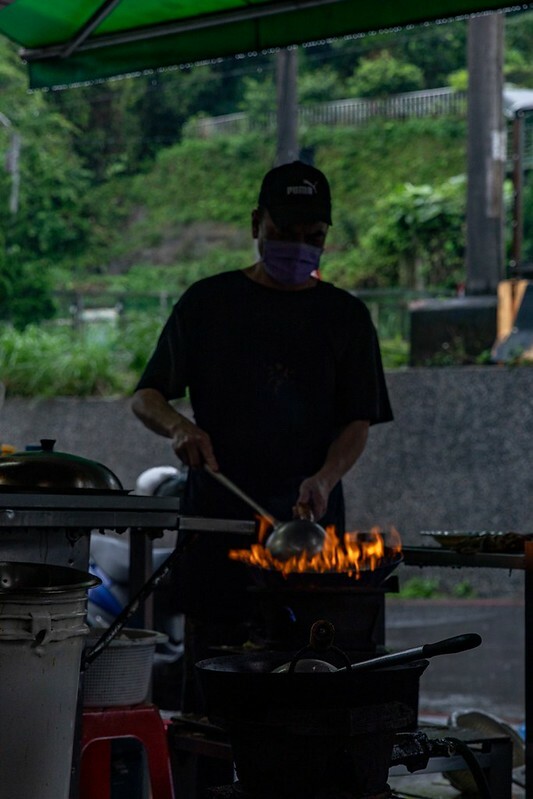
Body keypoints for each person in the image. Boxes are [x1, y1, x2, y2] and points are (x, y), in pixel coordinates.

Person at [131, 160, 393, 711]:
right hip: (216, 525)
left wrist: (326, 477)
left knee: (304, 694)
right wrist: (179, 427)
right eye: (283, 234)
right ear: (256, 224)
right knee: (211, 697)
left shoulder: (346, 317)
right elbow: (147, 396)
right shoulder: (207, 304)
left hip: (306, 538)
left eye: (311, 238)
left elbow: (357, 422)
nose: (297, 247)